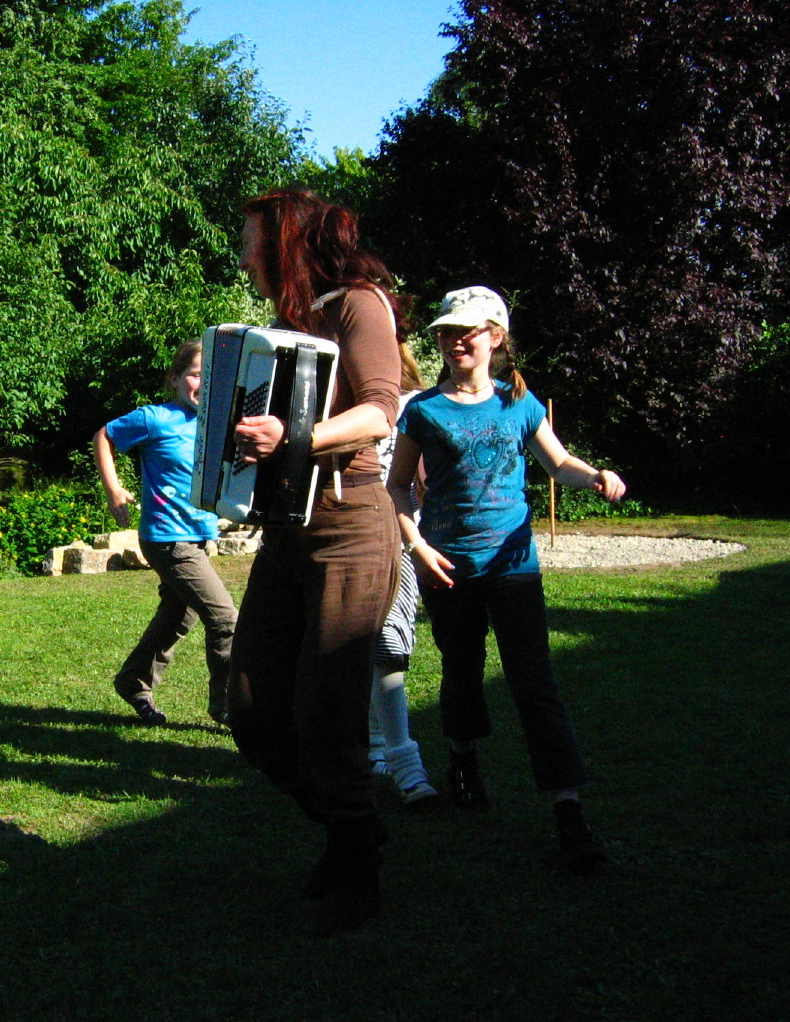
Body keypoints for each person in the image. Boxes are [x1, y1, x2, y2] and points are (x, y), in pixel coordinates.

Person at [386, 286, 625, 874]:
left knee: (535, 686)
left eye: (467, 331)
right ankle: (463, 760)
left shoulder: (519, 402)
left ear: (496, 337)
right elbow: (397, 486)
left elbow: (558, 463)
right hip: (449, 569)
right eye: (447, 332)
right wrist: (418, 546)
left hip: (514, 568)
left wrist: (596, 475)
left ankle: (569, 814)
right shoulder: (423, 410)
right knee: (462, 675)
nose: (455, 341)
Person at [228, 187, 414, 936]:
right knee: (251, 709)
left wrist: (295, 438)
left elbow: (381, 410)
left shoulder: (359, 304)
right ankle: (354, 827)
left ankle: (354, 863)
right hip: (287, 530)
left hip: (351, 527)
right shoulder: (282, 329)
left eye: (251, 241)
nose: (244, 256)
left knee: (328, 711)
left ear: (286, 242)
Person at [93, 339, 237, 726]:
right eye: (196, 374)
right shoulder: (155, 418)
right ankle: (229, 708)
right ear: (175, 378)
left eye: (211, 377)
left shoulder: (217, 424)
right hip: (167, 537)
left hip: (198, 534)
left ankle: (134, 681)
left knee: (179, 615)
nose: (203, 384)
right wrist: (113, 489)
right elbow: (104, 436)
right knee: (225, 619)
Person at [367, 375, 440, 807]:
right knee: (356, 643)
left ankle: (399, 758)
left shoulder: (418, 404)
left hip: (399, 531)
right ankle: (378, 747)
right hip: (346, 529)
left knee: (388, 643)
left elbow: (424, 479)